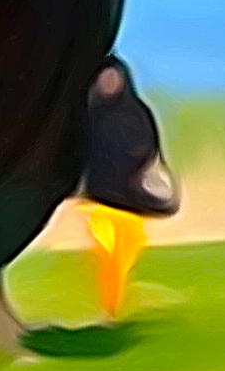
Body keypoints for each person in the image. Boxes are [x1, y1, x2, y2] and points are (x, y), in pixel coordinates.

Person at [77, 57, 181, 320]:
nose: (107, 83)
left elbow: (149, 151)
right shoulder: (87, 119)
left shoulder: (137, 114)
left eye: (112, 77)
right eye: (102, 78)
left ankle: (115, 308)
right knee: (105, 253)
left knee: (124, 256)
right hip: (100, 200)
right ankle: (109, 309)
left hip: (131, 201)